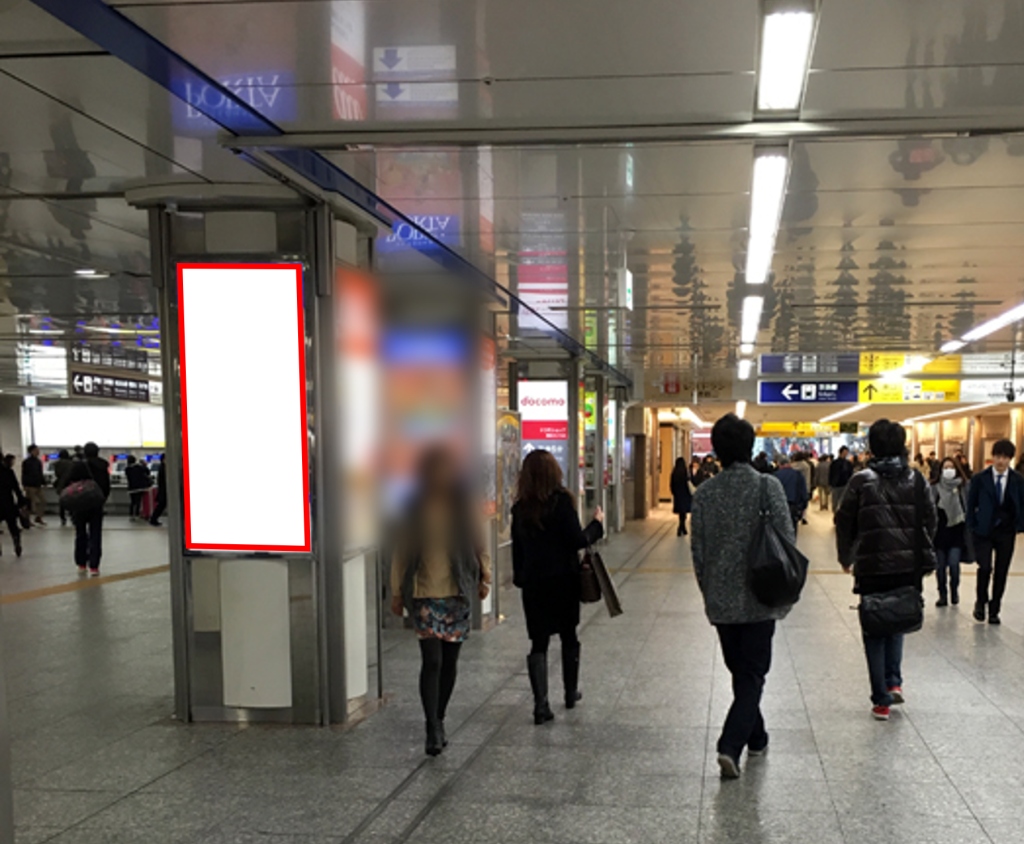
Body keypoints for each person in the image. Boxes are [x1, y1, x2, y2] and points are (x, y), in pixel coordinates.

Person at [692, 414, 796, 779]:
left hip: (721, 599)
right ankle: (730, 745)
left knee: (742, 672)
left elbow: (698, 552)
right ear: (750, 447)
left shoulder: (704, 493)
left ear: (716, 450)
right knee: (751, 674)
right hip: (761, 595)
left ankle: (758, 737)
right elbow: (787, 539)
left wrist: (709, 590)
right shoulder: (768, 487)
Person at [390, 446, 491, 756]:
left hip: (456, 590)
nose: (441, 475)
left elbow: (479, 540)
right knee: (431, 660)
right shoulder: (415, 506)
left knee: (449, 662)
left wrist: (485, 575)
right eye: (436, 469)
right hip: (423, 590)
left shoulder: (463, 502)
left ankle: (440, 716)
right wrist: (396, 591)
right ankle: (431, 726)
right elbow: (402, 550)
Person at [835, 420, 937, 721]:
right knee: (897, 618)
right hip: (908, 565)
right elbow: (931, 519)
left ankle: (881, 699)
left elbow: (844, 521)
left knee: (874, 625)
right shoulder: (917, 480)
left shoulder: (860, 480)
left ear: (873, 447)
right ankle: (894, 682)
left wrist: (846, 555)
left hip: (872, 565)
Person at [512, 449, 603, 725]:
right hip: (563, 580)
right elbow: (577, 540)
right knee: (568, 635)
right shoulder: (562, 502)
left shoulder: (521, 508)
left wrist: (520, 577)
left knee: (538, 642)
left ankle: (541, 705)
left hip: (534, 584)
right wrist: (596, 525)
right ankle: (570, 692)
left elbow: (518, 550)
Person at [966, 439, 1024, 625]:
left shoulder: (1017, 480)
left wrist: (1019, 525)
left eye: (1005, 457)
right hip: (983, 530)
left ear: (1010, 459)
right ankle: (980, 601)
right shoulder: (980, 479)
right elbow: (971, 503)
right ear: (993, 457)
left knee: (1001, 570)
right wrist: (971, 525)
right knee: (984, 567)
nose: (1001, 461)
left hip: (1006, 531)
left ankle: (994, 609)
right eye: (998, 456)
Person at [64, 442, 110, 575]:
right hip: (96, 503)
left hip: (80, 504)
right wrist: (101, 499)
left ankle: (82, 563)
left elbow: (67, 482)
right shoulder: (103, 466)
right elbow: (106, 486)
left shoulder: (79, 465)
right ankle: (94, 566)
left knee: (80, 533)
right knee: (95, 533)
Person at [931, 457, 968, 608]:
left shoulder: (962, 487)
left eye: (951, 467)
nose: (948, 470)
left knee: (954, 564)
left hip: (957, 533)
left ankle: (954, 591)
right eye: (945, 468)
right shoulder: (934, 488)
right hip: (939, 534)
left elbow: (968, 507)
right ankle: (942, 594)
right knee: (940, 567)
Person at [774, 455, 809, 537]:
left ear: (779, 464)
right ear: (790, 463)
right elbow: (803, 492)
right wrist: (804, 506)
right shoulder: (798, 475)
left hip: (778, 507)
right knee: (792, 530)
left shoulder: (775, 476)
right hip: (793, 506)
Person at [0, 454, 26, 557]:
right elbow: (16, 487)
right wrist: (21, 501)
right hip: (7, 502)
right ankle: (16, 541)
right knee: (12, 525)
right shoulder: (8, 472)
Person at [21, 445, 46, 527]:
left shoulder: (38, 462)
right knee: (30, 503)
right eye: (36, 450)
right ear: (31, 451)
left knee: (43, 500)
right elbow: (24, 474)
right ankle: (27, 519)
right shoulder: (26, 462)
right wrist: (24, 484)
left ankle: (38, 517)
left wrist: (43, 482)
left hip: (38, 485)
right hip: (30, 485)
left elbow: (40, 473)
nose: (38, 452)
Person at [51, 449, 74, 527]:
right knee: (72, 501)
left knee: (62, 502)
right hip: (70, 484)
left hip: (61, 484)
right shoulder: (71, 463)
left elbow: (56, 474)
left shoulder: (56, 464)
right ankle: (72, 516)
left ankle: (62, 517)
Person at [670, 457, 693, 536]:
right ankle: (681, 527)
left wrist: (674, 492)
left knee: (681, 512)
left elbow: (672, 484)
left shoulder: (674, 472)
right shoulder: (685, 472)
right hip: (685, 494)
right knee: (684, 512)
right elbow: (688, 482)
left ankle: (681, 527)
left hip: (678, 495)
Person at [124, 455, 152, 521]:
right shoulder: (139, 467)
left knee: (133, 501)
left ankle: (131, 515)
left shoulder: (127, 469)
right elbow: (147, 472)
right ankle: (137, 514)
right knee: (138, 501)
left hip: (131, 488)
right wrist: (144, 464)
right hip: (139, 487)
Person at [829, 446, 854, 513]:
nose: (846, 454)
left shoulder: (848, 463)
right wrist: (831, 484)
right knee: (835, 503)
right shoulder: (834, 463)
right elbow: (831, 474)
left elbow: (851, 474)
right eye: (844, 452)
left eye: (846, 452)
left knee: (844, 503)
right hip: (836, 485)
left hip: (845, 485)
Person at [791, 452, 813, 525]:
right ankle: (804, 517)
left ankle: (795, 514)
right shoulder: (806, 466)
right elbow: (808, 477)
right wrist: (808, 488)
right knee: (803, 502)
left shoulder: (792, 465)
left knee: (795, 502)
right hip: (804, 486)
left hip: (794, 486)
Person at [149, 456, 167, 526]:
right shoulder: (163, 468)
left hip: (162, 490)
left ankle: (153, 519)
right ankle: (153, 519)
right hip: (163, 490)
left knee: (161, 505)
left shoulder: (162, 467)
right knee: (161, 505)